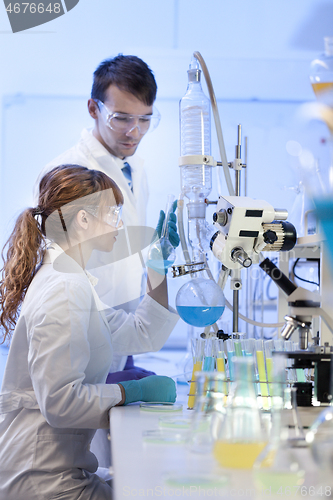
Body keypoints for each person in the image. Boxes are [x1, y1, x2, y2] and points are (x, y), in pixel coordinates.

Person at [0, 165, 179, 500]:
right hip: (43, 480)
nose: (120, 223)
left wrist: (157, 266)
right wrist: (130, 391)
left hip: (57, 470)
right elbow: (60, 403)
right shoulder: (63, 287)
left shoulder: (72, 280)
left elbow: (142, 334)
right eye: (113, 213)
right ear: (83, 219)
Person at [34, 54, 179, 381]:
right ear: (93, 109)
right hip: (78, 344)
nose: (135, 131)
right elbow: (57, 270)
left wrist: (156, 262)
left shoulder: (133, 169)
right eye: (122, 118)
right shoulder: (68, 174)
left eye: (145, 119)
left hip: (119, 337)